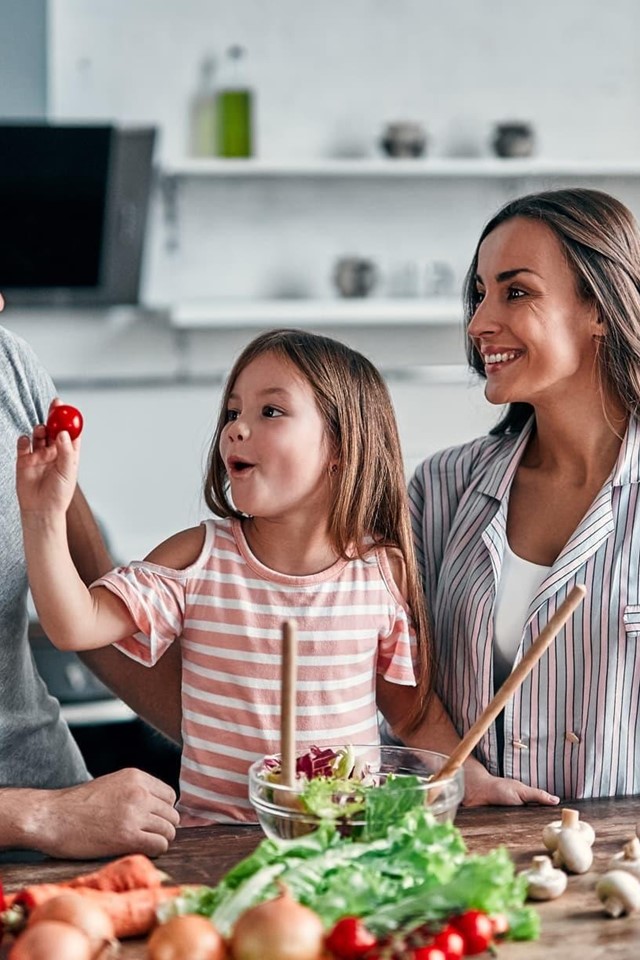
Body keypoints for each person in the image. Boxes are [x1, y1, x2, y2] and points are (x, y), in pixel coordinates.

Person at [16, 328, 556, 826]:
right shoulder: (197, 558)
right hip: (217, 846)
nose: (237, 428)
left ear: (342, 449)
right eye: (232, 412)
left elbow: (413, 717)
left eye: (271, 410)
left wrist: (472, 779)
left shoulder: (381, 573)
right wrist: (43, 515)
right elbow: (74, 627)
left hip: (344, 841)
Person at [409, 187, 640, 799]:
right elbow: (391, 669)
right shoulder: (440, 489)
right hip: (463, 863)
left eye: (516, 291)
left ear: (600, 308)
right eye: (479, 294)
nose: (480, 323)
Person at [0, 310, 181, 858]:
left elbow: (90, 606)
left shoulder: (9, 367)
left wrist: (236, 745)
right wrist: (41, 815)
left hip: (59, 807)